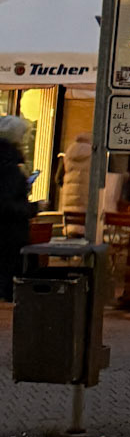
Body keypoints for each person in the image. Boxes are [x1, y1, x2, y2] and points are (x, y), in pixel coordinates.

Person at [0, 116, 38, 302]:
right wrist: (32, 208)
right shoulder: (9, 167)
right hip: (10, 234)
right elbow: (6, 203)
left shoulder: (8, 163)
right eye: (23, 136)